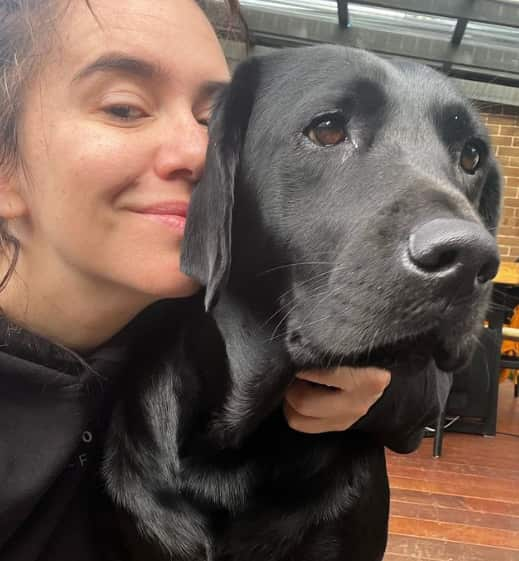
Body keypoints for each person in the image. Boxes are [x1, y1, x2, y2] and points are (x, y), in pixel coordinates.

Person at [0, 1, 450, 560]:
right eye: (125, 108)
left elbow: (425, 384)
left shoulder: (214, 299)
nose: (202, 151)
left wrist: (374, 389)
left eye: (213, 119)